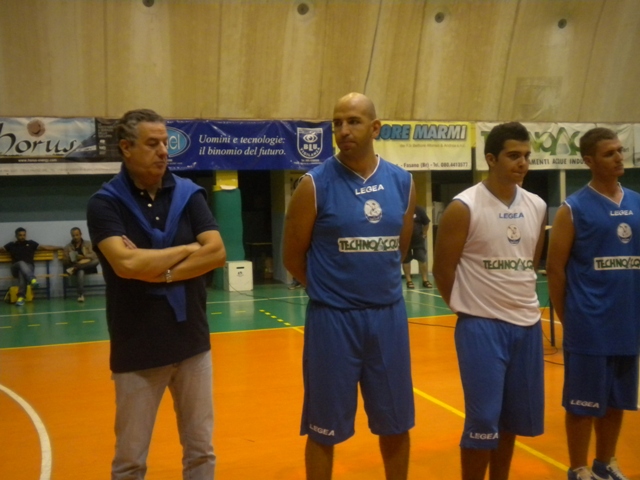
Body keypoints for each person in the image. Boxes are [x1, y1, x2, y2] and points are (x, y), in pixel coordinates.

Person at [87, 109, 226, 480]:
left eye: (165, 143)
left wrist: (158, 271)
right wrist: (189, 248)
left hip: (192, 342)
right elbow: (126, 265)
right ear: (126, 148)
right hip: (137, 347)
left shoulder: (189, 194)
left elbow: (216, 253)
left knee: (201, 452)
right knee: (130, 461)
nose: (164, 151)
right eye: (152, 144)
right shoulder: (105, 203)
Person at [283, 92, 416, 480]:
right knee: (323, 428)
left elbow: (399, 248)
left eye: (353, 121)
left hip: (388, 317)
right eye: (337, 123)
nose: (343, 130)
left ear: (375, 128)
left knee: (396, 422)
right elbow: (292, 257)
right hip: (333, 321)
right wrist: (333, 292)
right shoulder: (314, 184)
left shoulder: (403, 182)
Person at [433, 122, 547, 480]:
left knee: (511, 420)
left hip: (527, 326)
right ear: (491, 159)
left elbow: (529, 263)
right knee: (483, 420)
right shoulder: (464, 207)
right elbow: (442, 270)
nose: (522, 163)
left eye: (526, 156)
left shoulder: (538, 205)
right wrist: (470, 309)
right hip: (481, 327)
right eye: (513, 156)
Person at [547, 128, 640, 480]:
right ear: (589, 161)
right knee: (583, 404)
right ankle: (579, 468)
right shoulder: (573, 208)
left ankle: (605, 463)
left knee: (618, 401)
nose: (618, 157)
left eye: (619, 150)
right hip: (589, 324)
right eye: (609, 153)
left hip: (627, 322)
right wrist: (569, 318)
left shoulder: (637, 202)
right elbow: (555, 269)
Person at [0, 228, 60, 306]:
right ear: (16, 236)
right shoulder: (11, 245)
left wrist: (60, 247)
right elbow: (1, 249)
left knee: (22, 273)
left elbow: (45, 247)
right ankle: (32, 279)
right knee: (21, 263)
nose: (22, 237)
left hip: (28, 268)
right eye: (20, 235)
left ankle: (21, 298)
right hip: (15, 269)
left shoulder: (31, 243)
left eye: (24, 235)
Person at [62, 227, 100, 302]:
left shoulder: (88, 243)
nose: (75, 237)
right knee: (81, 271)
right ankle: (81, 295)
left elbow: (94, 255)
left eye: (77, 235)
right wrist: (71, 258)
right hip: (76, 267)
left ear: (81, 234)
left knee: (97, 260)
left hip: (88, 266)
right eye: (73, 235)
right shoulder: (68, 247)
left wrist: (84, 256)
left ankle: (76, 267)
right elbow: (65, 261)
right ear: (71, 236)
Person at [402, 205, 433, 289]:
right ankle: (409, 280)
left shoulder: (419, 210)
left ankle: (425, 280)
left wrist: (424, 233)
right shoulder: (401, 209)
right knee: (406, 260)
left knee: (422, 259)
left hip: (418, 240)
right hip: (405, 240)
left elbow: (426, 222)